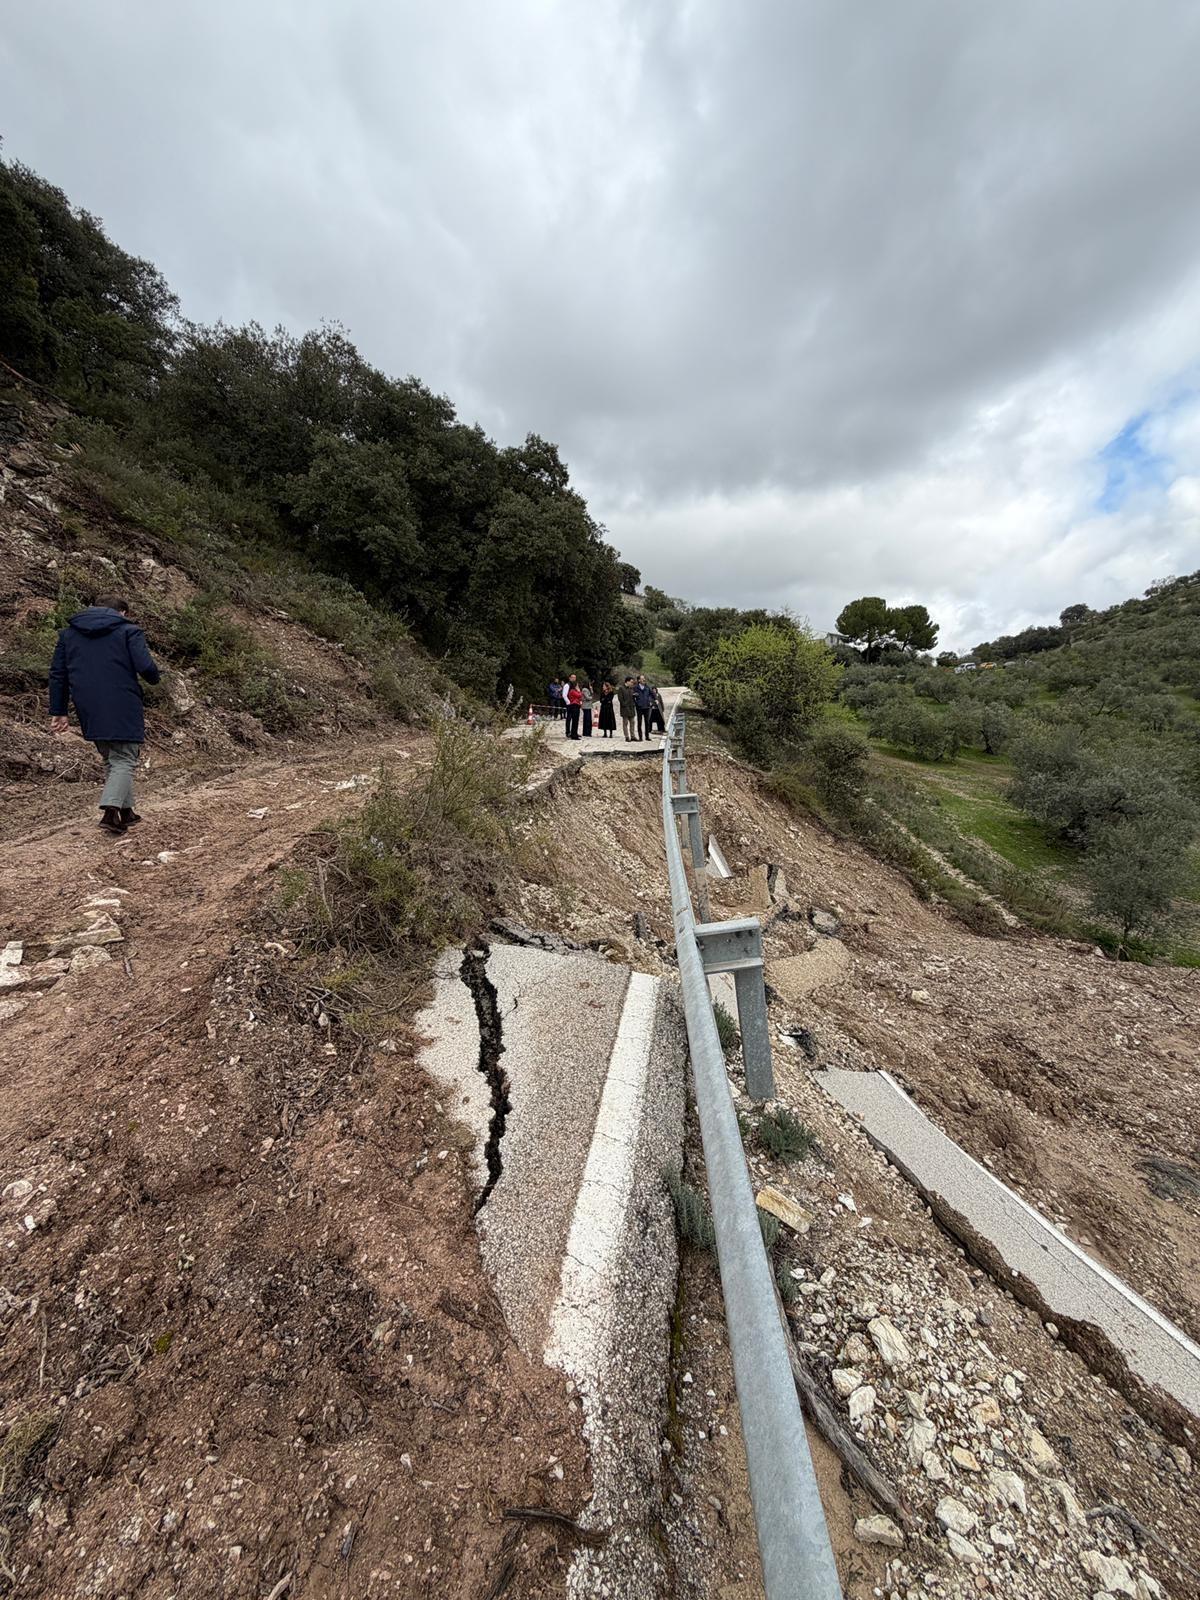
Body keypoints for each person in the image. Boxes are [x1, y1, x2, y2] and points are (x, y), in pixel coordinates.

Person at [48, 594, 161, 833]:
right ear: (122, 612)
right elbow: (145, 666)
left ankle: (126, 812)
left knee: (112, 757)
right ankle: (110, 813)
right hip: (122, 699)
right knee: (125, 757)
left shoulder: (68, 635)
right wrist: (154, 677)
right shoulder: (128, 631)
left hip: (87, 703)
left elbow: (58, 674)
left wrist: (59, 710)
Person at [633, 674, 654, 741]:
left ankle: (647, 736)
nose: (644, 680)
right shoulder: (635, 688)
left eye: (644, 678)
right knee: (639, 722)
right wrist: (636, 703)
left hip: (646, 707)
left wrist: (651, 700)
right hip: (639, 707)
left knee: (647, 722)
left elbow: (652, 694)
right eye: (642, 679)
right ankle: (640, 737)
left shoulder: (647, 687)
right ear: (639, 680)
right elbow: (632, 696)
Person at [617, 676, 637, 741]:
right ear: (627, 681)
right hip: (625, 709)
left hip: (631, 708)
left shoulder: (631, 689)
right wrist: (625, 704)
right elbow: (620, 699)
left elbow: (633, 698)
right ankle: (627, 736)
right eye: (631, 682)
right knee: (625, 723)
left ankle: (633, 736)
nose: (632, 683)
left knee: (632, 723)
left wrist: (634, 697)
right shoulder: (621, 688)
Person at [564, 674, 583, 739]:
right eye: (572, 677)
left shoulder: (574, 688)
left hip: (575, 704)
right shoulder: (567, 686)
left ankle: (574, 732)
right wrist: (568, 702)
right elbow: (564, 695)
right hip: (571, 704)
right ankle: (568, 732)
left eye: (575, 677)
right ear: (569, 678)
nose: (574, 678)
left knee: (575, 720)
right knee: (569, 719)